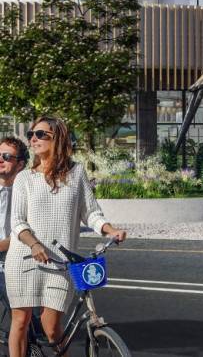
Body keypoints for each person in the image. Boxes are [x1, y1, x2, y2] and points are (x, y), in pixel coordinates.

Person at [5, 117, 126, 357]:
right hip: (24, 260)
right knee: (21, 320)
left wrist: (110, 230)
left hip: (59, 263)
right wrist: (34, 244)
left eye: (40, 134)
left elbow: (90, 212)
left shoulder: (76, 173)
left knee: (52, 328)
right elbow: (17, 222)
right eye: (31, 134)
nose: (33, 139)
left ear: (57, 137)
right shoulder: (24, 178)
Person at [0, 137, 28, 286]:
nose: (0, 159)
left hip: (18, 266)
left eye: (6, 156)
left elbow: (28, 232)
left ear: (20, 164)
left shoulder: (29, 194)